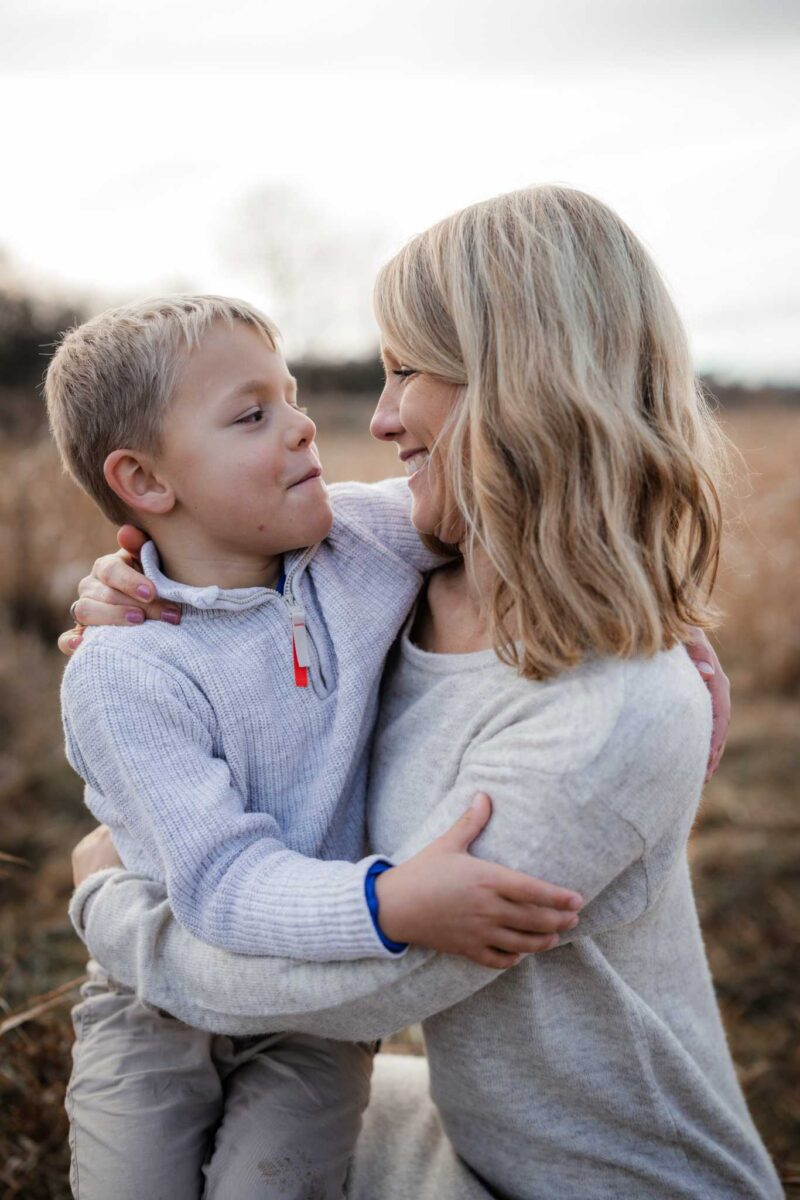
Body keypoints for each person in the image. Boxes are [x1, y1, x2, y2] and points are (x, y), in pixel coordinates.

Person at [62, 187, 781, 1198]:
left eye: (406, 370)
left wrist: (108, 901)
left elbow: (372, 984)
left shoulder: (616, 701)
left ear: (518, 384)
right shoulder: (382, 589)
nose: (378, 416)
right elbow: (235, 580)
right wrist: (145, 592)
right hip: (465, 1144)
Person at [45, 294, 585, 1200]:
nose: (302, 427)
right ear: (145, 483)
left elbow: (534, 528)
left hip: (316, 1012)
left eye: (290, 396)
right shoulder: (126, 671)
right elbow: (218, 884)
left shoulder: (362, 540)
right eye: (253, 414)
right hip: (155, 1002)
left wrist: (668, 628)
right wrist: (390, 903)